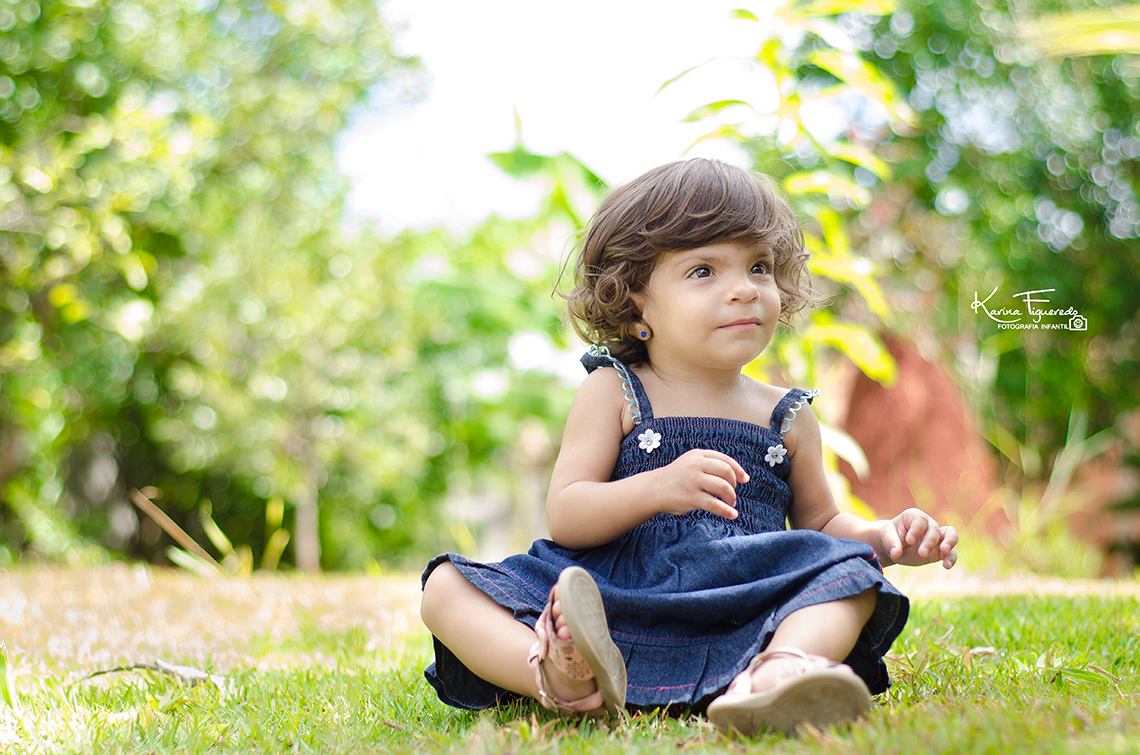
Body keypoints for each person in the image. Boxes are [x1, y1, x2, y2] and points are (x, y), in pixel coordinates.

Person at [419, 158, 959, 736]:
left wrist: (883, 538)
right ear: (636, 304)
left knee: (852, 574)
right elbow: (569, 514)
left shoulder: (790, 413)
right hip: (615, 597)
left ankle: (778, 674)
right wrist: (656, 488)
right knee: (445, 588)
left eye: (759, 267)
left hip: (743, 601)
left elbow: (821, 522)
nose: (744, 290)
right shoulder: (615, 389)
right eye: (704, 271)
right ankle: (563, 678)